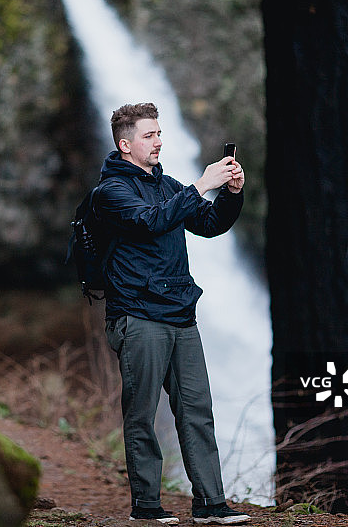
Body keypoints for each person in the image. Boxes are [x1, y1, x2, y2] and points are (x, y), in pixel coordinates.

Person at [96, 102, 250, 524]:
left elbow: (210, 224)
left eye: (160, 133)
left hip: (181, 315)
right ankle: (146, 507)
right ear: (125, 145)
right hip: (138, 316)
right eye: (149, 135)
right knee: (142, 416)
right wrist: (201, 184)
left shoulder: (168, 186)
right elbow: (150, 221)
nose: (158, 141)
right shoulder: (111, 192)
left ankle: (211, 504)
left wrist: (231, 194)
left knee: (197, 412)